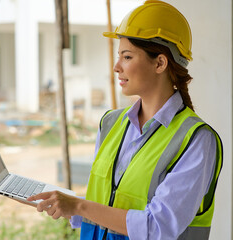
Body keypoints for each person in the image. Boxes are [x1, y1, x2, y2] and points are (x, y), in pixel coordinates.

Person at [27, 1, 223, 239]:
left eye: (127, 57)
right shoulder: (110, 123)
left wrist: (79, 207)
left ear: (160, 63)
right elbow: (108, 202)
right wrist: (64, 202)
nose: (116, 67)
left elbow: (157, 227)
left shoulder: (197, 140)